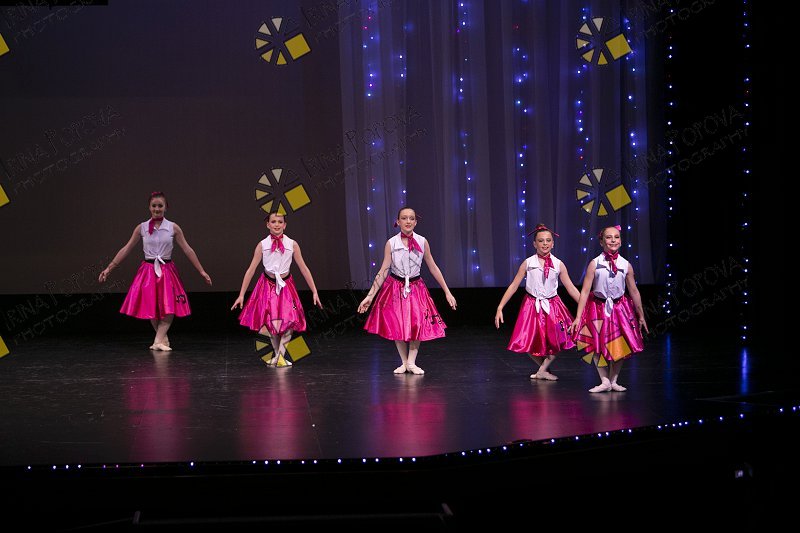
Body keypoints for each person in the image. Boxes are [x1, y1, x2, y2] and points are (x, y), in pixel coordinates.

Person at [98, 191, 212, 350]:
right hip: (148, 270)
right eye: (154, 206)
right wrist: (109, 268)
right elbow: (127, 248)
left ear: (166, 207)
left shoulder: (173, 227)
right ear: (149, 207)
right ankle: (161, 339)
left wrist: (201, 271)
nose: (157, 209)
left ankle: (158, 341)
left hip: (167, 270)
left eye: (160, 206)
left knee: (170, 305)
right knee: (151, 305)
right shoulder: (142, 227)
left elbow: (188, 249)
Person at [357, 207, 457, 375]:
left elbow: (433, 267)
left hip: (416, 287)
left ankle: (411, 361)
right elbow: (383, 270)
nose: (408, 221)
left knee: (417, 322)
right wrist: (370, 296)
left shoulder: (422, 241)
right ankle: (404, 362)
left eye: (411, 218)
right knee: (397, 323)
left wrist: (447, 291)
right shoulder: (391, 243)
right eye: (404, 218)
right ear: (398, 222)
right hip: (395, 286)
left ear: (415, 222)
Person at [231, 212, 321, 366]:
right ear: (268, 225)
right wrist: (241, 294)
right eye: (273, 222)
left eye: (280, 222)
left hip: (286, 286)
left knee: (289, 320)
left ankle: (280, 355)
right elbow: (251, 270)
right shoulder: (262, 245)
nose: (277, 224)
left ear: (285, 225)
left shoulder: (292, 244)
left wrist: (314, 291)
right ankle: (278, 355)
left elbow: (303, 268)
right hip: (267, 286)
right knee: (271, 322)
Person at [568, 225, 648, 392]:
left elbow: (634, 291)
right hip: (597, 307)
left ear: (621, 241)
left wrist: (641, 315)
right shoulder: (595, 264)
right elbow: (585, 291)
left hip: (620, 308)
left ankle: (614, 380)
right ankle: (604, 380)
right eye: (609, 237)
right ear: (601, 241)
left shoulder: (625, 265)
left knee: (619, 344)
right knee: (596, 343)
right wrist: (578, 317)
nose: (613, 240)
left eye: (616, 237)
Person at [495, 224, 580, 380]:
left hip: (553, 306)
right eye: (541, 241)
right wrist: (500, 307)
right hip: (531, 306)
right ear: (535, 244)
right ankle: (543, 370)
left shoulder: (558, 264)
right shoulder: (528, 263)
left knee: (562, 337)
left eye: (548, 240)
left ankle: (542, 370)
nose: (545, 244)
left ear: (553, 244)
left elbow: (571, 288)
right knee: (526, 339)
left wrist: (585, 307)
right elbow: (514, 285)